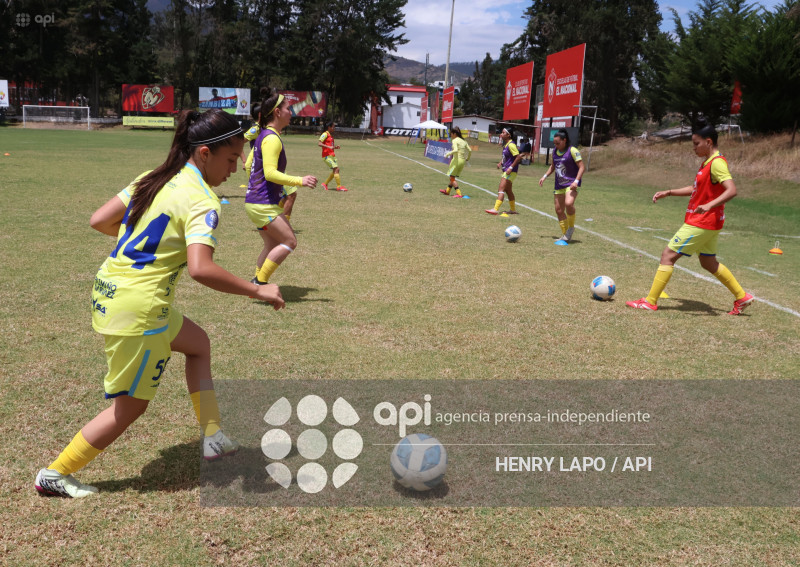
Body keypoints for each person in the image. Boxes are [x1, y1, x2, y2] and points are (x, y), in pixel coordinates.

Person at [35, 109, 285, 498]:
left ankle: (213, 434)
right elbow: (202, 269)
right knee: (129, 409)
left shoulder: (154, 177)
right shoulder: (203, 200)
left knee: (198, 344)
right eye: (232, 159)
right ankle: (55, 472)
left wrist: (142, 243)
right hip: (140, 309)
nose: (235, 169)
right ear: (204, 153)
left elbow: (99, 220)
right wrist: (258, 289)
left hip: (111, 291)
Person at [626, 121, 754, 314]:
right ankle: (742, 297)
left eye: (696, 144)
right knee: (708, 262)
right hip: (711, 223)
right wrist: (668, 192)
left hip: (702, 221)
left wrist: (709, 205)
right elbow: (696, 189)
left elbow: (732, 190)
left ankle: (650, 301)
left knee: (668, 255)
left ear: (708, 142)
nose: (693, 148)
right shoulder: (708, 163)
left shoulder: (717, 163)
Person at [246, 87, 317, 285]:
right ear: (277, 112)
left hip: (256, 202)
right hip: (262, 204)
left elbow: (248, 165)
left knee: (272, 244)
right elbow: (269, 173)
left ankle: (257, 280)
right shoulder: (271, 138)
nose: (291, 113)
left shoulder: (265, 135)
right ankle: (259, 283)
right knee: (290, 241)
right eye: (288, 109)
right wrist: (300, 180)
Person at [539, 129, 585, 244]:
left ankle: (571, 228)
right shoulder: (555, 151)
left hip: (571, 183)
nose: (556, 145)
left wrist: (576, 181)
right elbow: (553, 166)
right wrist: (544, 176)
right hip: (559, 184)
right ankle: (566, 235)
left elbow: (582, 167)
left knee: (569, 203)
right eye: (554, 143)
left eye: (558, 143)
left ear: (565, 140)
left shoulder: (572, 150)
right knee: (559, 210)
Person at [485, 128, 523, 215]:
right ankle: (513, 210)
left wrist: (510, 167)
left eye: (503, 133)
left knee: (501, 189)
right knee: (508, 190)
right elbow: (507, 157)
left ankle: (495, 209)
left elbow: (518, 157)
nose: (501, 134)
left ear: (508, 135)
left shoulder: (511, 145)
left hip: (510, 171)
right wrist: (500, 162)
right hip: (507, 170)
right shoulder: (506, 145)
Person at [441, 126, 471, 197]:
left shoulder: (455, 140)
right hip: (462, 161)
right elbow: (470, 150)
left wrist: (448, 154)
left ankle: (459, 193)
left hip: (456, 160)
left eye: (451, 134)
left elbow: (456, 150)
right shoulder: (464, 141)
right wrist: (468, 158)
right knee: (452, 176)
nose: (451, 136)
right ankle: (447, 191)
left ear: (454, 134)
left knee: (452, 178)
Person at [318, 122, 346, 191]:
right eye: (333, 127)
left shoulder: (330, 136)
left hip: (331, 155)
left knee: (336, 170)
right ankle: (339, 187)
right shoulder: (325, 134)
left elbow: (330, 147)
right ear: (329, 127)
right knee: (336, 169)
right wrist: (328, 146)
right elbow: (319, 143)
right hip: (327, 156)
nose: (334, 128)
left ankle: (325, 184)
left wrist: (335, 147)